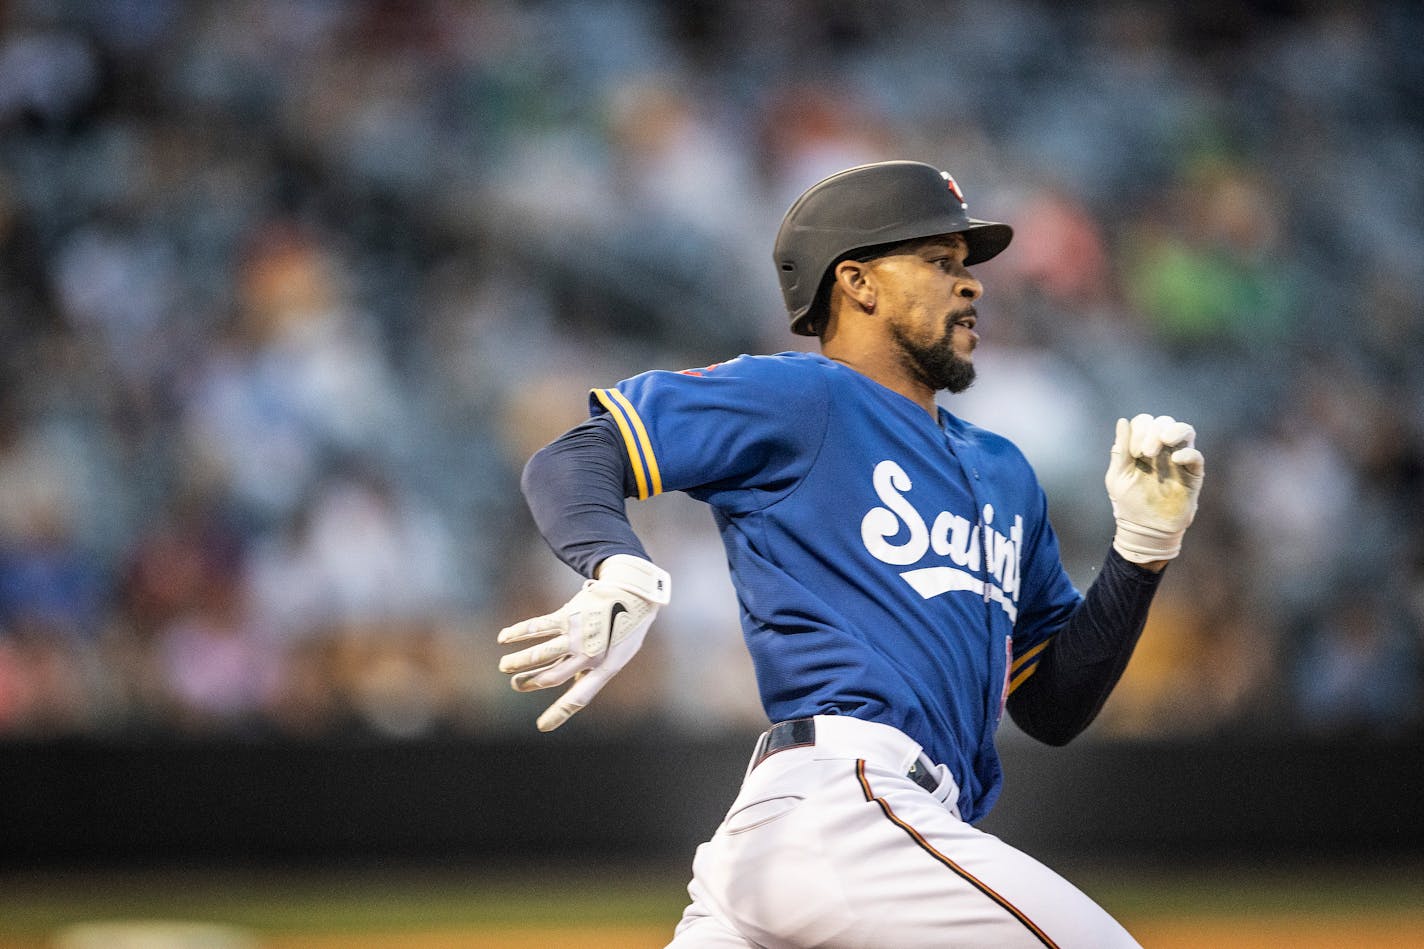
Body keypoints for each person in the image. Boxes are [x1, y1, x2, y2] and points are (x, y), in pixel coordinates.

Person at [498, 160, 1204, 948]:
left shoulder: (1006, 470)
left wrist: (1143, 550)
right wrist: (614, 559)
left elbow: (1052, 703)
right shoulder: (806, 397)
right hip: (849, 801)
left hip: (821, 834)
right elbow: (577, 454)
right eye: (940, 264)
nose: (969, 285)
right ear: (858, 282)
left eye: (967, 268)